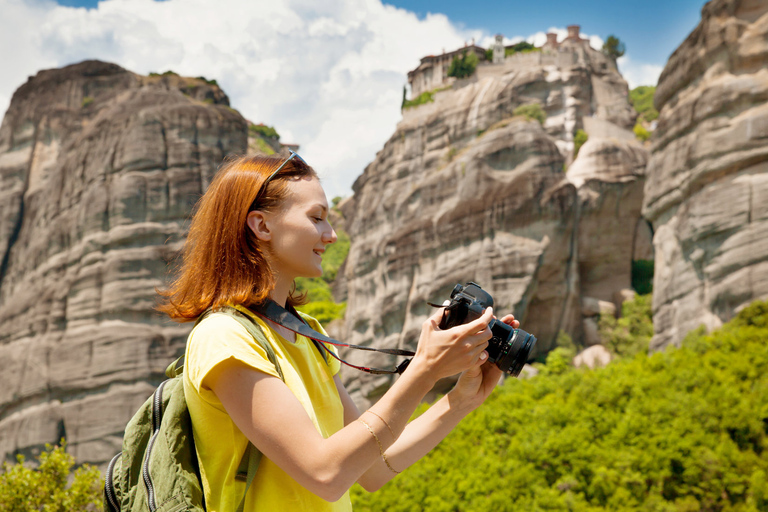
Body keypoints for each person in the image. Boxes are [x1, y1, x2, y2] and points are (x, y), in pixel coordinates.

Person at [158, 151, 520, 511]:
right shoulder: (225, 336)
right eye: (316, 218)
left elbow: (375, 467)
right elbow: (325, 473)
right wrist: (425, 369)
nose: (331, 236)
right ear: (262, 226)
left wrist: (462, 400)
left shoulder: (306, 335)